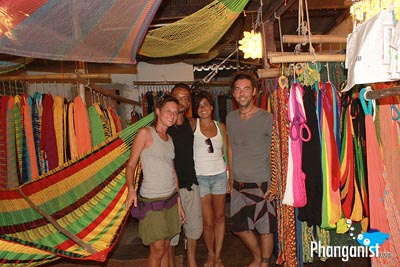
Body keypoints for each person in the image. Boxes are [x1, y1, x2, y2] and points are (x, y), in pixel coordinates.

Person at [125, 96, 186, 267]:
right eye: (168, 111)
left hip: (171, 200)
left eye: (175, 112)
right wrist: (130, 189)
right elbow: (130, 165)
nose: (172, 115)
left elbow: (172, 172)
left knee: (166, 245)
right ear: (158, 111)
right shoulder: (145, 134)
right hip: (152, 200)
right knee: (158, 249)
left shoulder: (169, 140)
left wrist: (179, 202)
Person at [226, 72, 277, 267]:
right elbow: (230, 148)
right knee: (238, 227)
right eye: (238, 89)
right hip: (238, 184)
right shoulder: (230, 118)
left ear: (254, 92)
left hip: (260, 183)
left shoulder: (267, 118)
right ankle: (258, 257)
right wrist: (230, 178)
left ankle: (264, 263)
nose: (242, 94)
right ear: (233, 94)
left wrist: (274, 183)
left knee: (265, 229)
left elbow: (277, 152)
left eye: (246, 89)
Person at [168, 83, 203, 267]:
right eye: (177, 97)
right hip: (170, 188)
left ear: (189, 102)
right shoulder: (164, 126)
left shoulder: (193, 124)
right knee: (172, 232)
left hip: (191, 183)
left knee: (194, 227)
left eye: (184, 98)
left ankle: (191, 260)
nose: (181, 101)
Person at [192, 91, 228, 267]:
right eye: (199, 105)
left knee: (220, 217)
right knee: (208, 221)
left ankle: (218, 256)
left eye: (206, 104)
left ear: (212, 107)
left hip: (220, 175)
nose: (202, 108)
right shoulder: (193, 125)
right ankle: (210, 254)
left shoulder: (221, 126)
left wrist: (231, 177)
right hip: (201, 178)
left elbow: (228, 152)